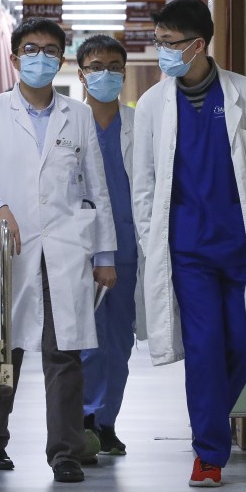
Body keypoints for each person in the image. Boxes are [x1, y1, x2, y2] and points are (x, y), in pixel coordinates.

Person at [131, 0, 246, 487]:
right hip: (185, 247)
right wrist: (151, 242)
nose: (160, 52)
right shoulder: (151, 105)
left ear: (198, 45)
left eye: (168, 43)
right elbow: (143, 183)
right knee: (204, 346)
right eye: (158, 42)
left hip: (239, 240)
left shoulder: (245, 94)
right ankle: (208, 452)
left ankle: (207, 418)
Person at [0, 17, 117, 484]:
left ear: (60, 59)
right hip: (10, 251)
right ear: (15, 56)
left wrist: (105, 256)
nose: (39, 58)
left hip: (66, 248)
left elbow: (97, 189)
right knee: (6, 349)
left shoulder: (77, 115)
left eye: (48, 50)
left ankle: (64, 451)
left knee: (64, 352)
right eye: (30, 49)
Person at [75, 34, 144, 459]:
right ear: (81, 73)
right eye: (97, 65)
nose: (106, 73)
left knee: (117, 344)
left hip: (127, 249)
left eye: (115, 66)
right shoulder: (69, 123)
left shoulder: (138, 124)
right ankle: (81, 419)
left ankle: (106, 422)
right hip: (79, 249)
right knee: (83, 340)